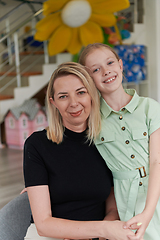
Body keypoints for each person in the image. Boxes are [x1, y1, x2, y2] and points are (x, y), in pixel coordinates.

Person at [23, 62, 135, 240]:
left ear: (92, 95)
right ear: (53, 103)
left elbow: (112, 209)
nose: (73, 103)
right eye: (63, 96)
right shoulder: (37, 144)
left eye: (81, 92)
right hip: (52, 236)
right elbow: (43, 224)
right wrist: (102, 230)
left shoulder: (108, 142)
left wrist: (102, 233)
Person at [79, 42, 160, 240]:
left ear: (121, 65)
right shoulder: (92, 119)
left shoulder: (149, 107)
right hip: (125, 198)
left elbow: (157, 161)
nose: (106, 72)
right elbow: (67, 147)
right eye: (96, 69)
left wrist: (148, 212)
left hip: (155, 188)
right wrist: (39, 180)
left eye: (110, 63)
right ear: (89, 79)